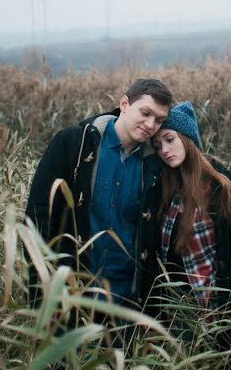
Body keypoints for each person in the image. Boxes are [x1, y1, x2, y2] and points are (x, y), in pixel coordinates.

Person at [24, 78, 173, 308]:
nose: (150, 124)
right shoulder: (75, 144)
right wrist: (41, 286)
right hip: (71, 294)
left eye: (159, 120)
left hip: (125, 302)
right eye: (145, 112)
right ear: (124, 104)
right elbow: (38, 214)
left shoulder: (153, 166)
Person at [139, 101, 231, 358]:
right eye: (158, 146)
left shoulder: (225, 189)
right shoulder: (165, 190)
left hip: (216, 317)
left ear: (188, 138)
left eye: (170, 139)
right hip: (176, 317)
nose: (164, 150)